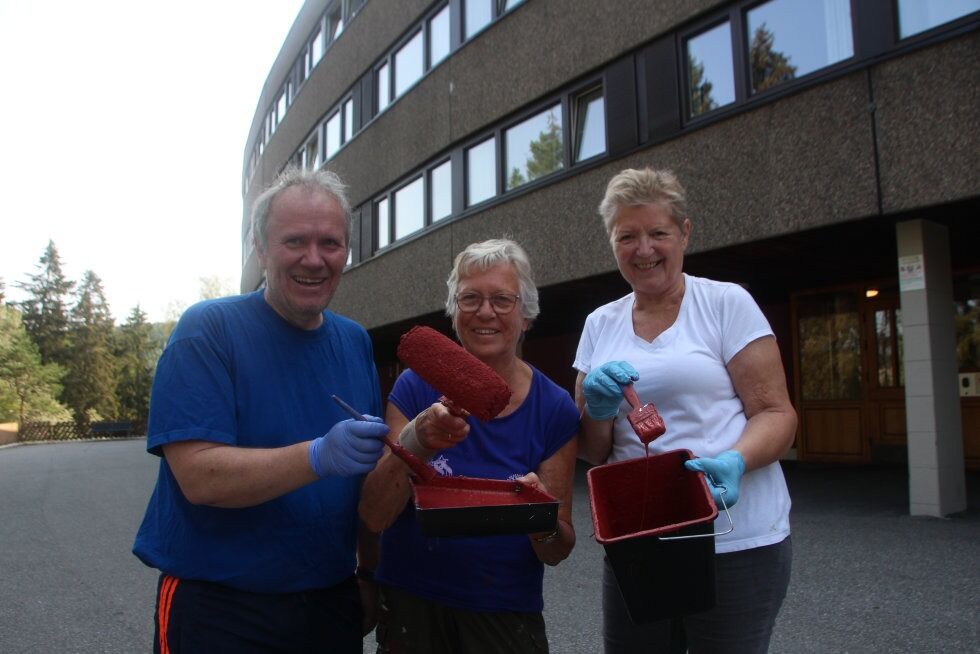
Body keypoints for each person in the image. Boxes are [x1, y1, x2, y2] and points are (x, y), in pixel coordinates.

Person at [132, 167, 391, 653]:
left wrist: (369, 572)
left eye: (330, 244)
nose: (314, 260)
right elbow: (200, 476)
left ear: (347, 252)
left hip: (329, 602)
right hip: (221, 607)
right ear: (260, 248)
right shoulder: (208, 330)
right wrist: (317, 456)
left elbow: (365, 484)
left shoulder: (354, 341)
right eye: (294, 241)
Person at [574, 168, 797, 654]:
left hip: (733, 540)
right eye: (627, 236)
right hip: (638, 540)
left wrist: (736, 459)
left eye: (658, 233)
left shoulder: (725, 303)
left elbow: (777, 414)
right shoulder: (599, 323)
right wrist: (597, 406)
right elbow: (593, 450)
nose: (644, 249)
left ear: (685, 233)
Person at [359, 238, 579, 653]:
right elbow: (373, 514)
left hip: (503, 612)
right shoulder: (415, 384)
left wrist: (538, 515)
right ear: (454, 313)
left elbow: (557, 551)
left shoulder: (554, 409)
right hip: (412, 602)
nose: (485, 311)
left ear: (527, 316)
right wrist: (417, 441)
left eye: (502, 299)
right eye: (470, 298)